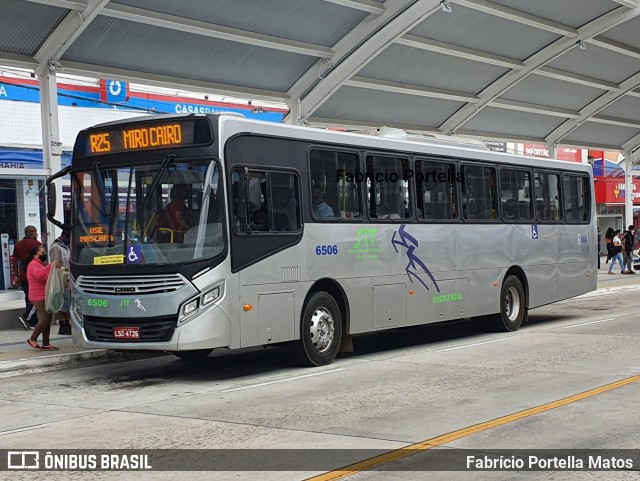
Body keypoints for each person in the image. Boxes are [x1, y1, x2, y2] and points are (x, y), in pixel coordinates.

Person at [26, 245, 63, 350]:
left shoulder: (41, 264)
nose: (44, 255)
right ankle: (32, 339)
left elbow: (46, 277)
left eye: (44, 252)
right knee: (45, 318)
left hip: (45, 295)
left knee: (48, 318)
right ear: (35, 255)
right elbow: (39, 275)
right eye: (42, 253)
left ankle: (46, 343)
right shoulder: (33, 264)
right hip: (37, 296)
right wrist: (51, 265)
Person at [12, 225, 41, 330]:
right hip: (34, 275)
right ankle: (26, 318)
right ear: (33, 233)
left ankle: (33, 321)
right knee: (35, 298)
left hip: (23, 275)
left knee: (28, 296)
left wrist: (16, 275)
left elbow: (14, 260)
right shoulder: (37, 244)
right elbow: (41, 260)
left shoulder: (18, 244)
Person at [49, 228, 72, 334]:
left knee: (68, 302)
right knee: (61, 302)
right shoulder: (56, 247)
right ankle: (62, 324)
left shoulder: (66, 247)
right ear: (64, 237)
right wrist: (64, 276)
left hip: (69, 277)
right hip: (61, 277)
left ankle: (68, 323)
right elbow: (56, 264)